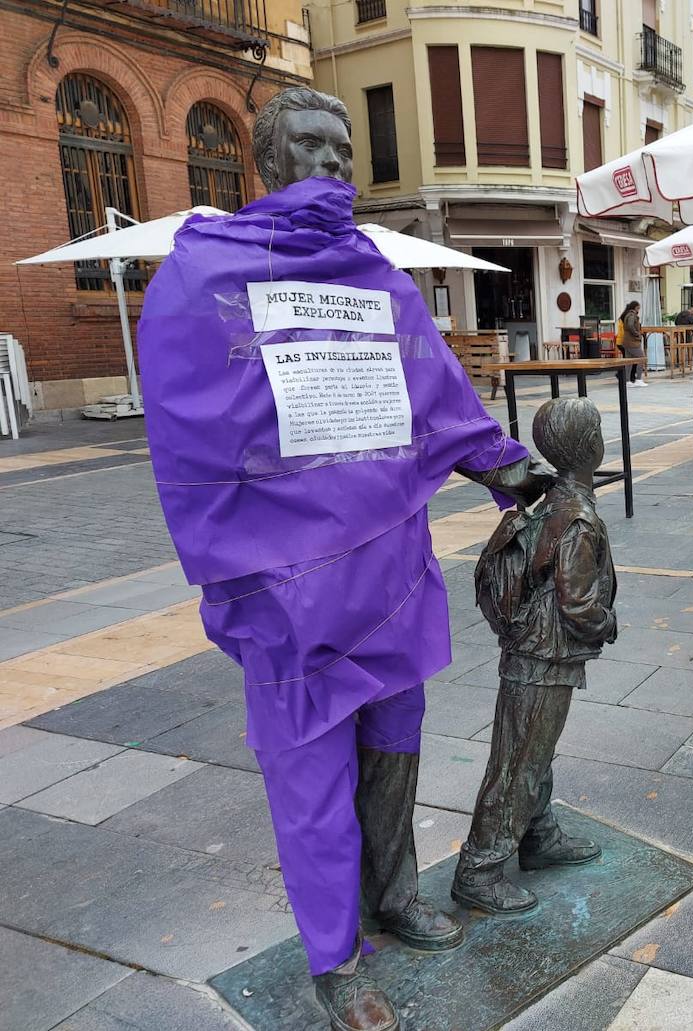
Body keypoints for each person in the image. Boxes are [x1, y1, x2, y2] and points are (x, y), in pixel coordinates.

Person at [137, 87, 553, 1031]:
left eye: (343, 150)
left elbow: (434, 390)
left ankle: (396, 892)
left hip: (392, 573)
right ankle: (335, 960)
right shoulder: (206, 274)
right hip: (289, 589)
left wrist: (509, 468)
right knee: (311, 782)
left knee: (394, 751)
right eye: (312, 149)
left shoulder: (374, 271)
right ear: (270, 165)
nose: (332, 166)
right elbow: (188, 427)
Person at [452, 397, 618, 915]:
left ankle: (538, 835)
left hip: (534, 650)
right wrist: (606, 625)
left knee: (532, 751)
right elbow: (579, 602)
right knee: (519, 760)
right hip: (543, 656)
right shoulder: (578, 518)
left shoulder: (550, 502)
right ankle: (479, 869)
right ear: (589, 449)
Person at [616, 301, 648, 386]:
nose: (639, 310)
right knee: (641, 358)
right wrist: (637, 334)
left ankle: (627, 381)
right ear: (635, 307)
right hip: (632, 342)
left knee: (628, 361)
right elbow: (630, 326)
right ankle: (638, 379)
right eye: (638, 308)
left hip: (626, 341)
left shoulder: (627, 315)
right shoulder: (632, 316)